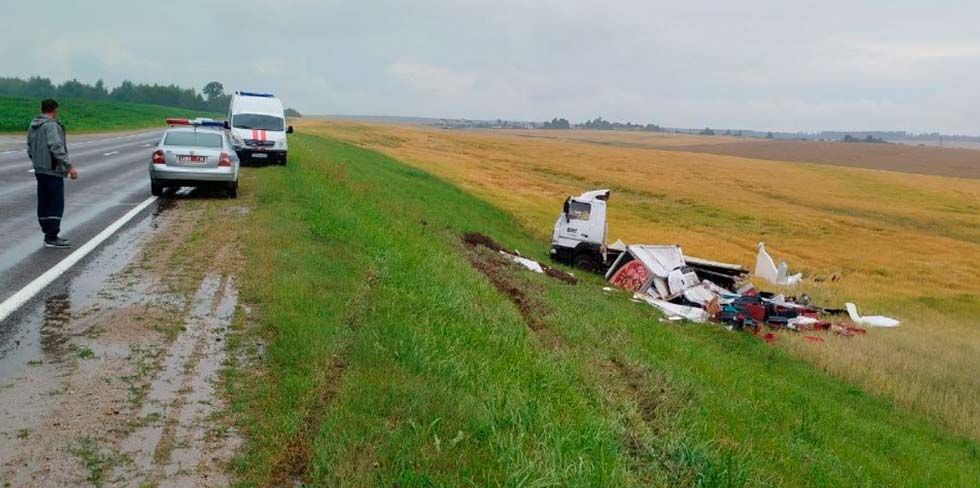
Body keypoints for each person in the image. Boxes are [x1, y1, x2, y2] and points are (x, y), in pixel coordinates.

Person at [27, 99, 78, 249]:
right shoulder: (51, 125)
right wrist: (69, 167)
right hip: (53, 170)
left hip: (40, 169)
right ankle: (52, 236)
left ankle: (47, 232)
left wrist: (37, 161)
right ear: (55, 109)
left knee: (44, 201)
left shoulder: (34, 124)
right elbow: (56, 146)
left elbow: (29, 147)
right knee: (56, 202)